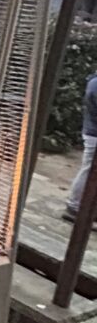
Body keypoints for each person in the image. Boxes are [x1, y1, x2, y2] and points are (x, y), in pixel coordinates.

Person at [64, 69, 97, 223]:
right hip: (94, 133)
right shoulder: (95, 84)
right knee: (89, 170)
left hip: (91, 131)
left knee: (88, 169)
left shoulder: (94, 81)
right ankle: (75, 206)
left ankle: (81, 206)